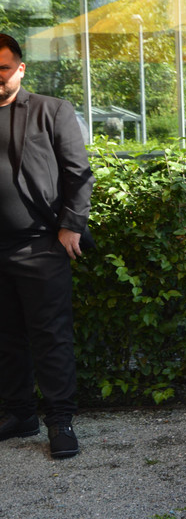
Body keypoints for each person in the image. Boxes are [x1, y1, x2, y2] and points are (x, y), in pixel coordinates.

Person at [0, 33, 94, 460]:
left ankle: (60, 420)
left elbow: (79, 173)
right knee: (5, 338)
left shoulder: (50, 110)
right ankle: (20, 414)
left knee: (50, 337)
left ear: (21, 68)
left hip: (40, 244)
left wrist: (71, 227)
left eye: (4, 68)